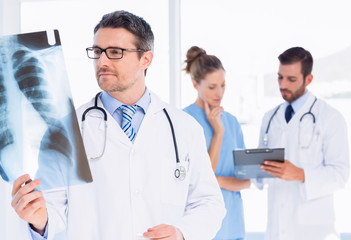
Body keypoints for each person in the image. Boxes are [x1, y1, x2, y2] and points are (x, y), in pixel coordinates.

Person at [10, 10, 226, 240]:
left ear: (146, 59)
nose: (101, 61)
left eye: (115, 52)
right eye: (97, 52)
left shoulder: (184, 127)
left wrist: (183, 233)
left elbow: (208, 203)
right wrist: (39, 219)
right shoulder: (64, 132)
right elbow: (51, 212)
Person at [257, 47, 350, 240]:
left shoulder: (330, 117)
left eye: (291, 79)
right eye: (280, 77)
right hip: (276, 230)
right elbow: (263, 172)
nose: (283, 84)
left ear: (308, 79)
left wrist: (300, 174)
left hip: (315, 232)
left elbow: (340, 175)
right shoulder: (269, 118)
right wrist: (252, 170)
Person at [183, 46, 250, 240]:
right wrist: (218, 132)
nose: (219, 92)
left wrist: (217, 181)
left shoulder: (232, 122)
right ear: (195, 84)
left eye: (223, 85)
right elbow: (195, 182)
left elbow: (245, 181)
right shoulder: (184, 121)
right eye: (212, 87)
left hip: (233, 225)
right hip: (200, 227)